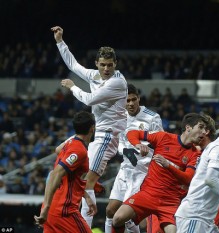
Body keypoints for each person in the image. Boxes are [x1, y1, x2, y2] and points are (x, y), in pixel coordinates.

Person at [51, 26, 127, 227]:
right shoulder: (95, 75)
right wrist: (60, 41)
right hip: (95, 133)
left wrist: (72, 86)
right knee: (59, 150)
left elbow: (90, 100)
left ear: (115, 64)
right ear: (97, 64)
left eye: (110, 65)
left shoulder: (117, 83)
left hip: (108, 135)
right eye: (102, 65)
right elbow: (73, 65)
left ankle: (83, 227)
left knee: (87, 181)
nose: (106, 69)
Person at [112, 113, 209, 233]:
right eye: (201, 127)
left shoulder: (195, 153)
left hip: (170, 202)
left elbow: (188, 178)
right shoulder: (164, 137)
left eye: (205, 129)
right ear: (188, 127)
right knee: (117, 219)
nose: (204, 132)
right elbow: (132, 133)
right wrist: (138, 144)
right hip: (149, 194)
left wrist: (168, 165)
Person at [105, 84, 163, 233]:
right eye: (127, 100)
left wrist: (144, 147)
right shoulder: (119, 117)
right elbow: (117, 143)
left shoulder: (152, 117)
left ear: (139, 98)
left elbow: (161, 142)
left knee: (128, 216)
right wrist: (127, 150)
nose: (130, 104)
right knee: (110, 211)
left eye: (133, 100)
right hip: (125, 168)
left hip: (143, 171)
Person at [34, 111, 96, 232]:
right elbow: (55, 174)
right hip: (64, 211)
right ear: (92, 128)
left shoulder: (69, 144)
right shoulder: (79, 150)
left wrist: (87, 196)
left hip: (53, 209)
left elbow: (57, 150)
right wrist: (46, 207)